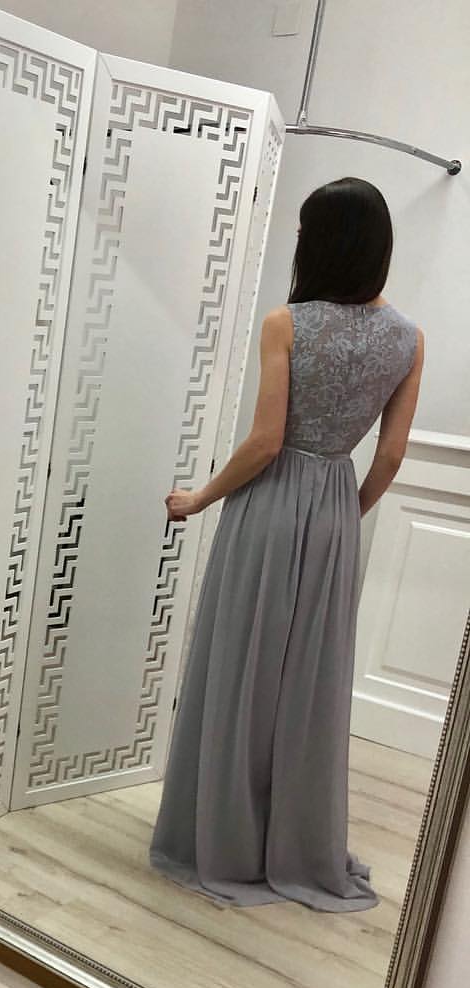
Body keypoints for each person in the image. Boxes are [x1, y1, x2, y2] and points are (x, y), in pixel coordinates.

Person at [149, 176, 424, 912]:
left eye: (305, 230)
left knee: (243, 669)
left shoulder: (287, 323)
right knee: (308, 687)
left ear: (323, 242)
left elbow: (266, 442)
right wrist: (346, 513)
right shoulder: (408, 338)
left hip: (269, 507)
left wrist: (200, 497)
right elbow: (391, 454)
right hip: (335, 508)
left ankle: (225, 841)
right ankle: (295, 845)